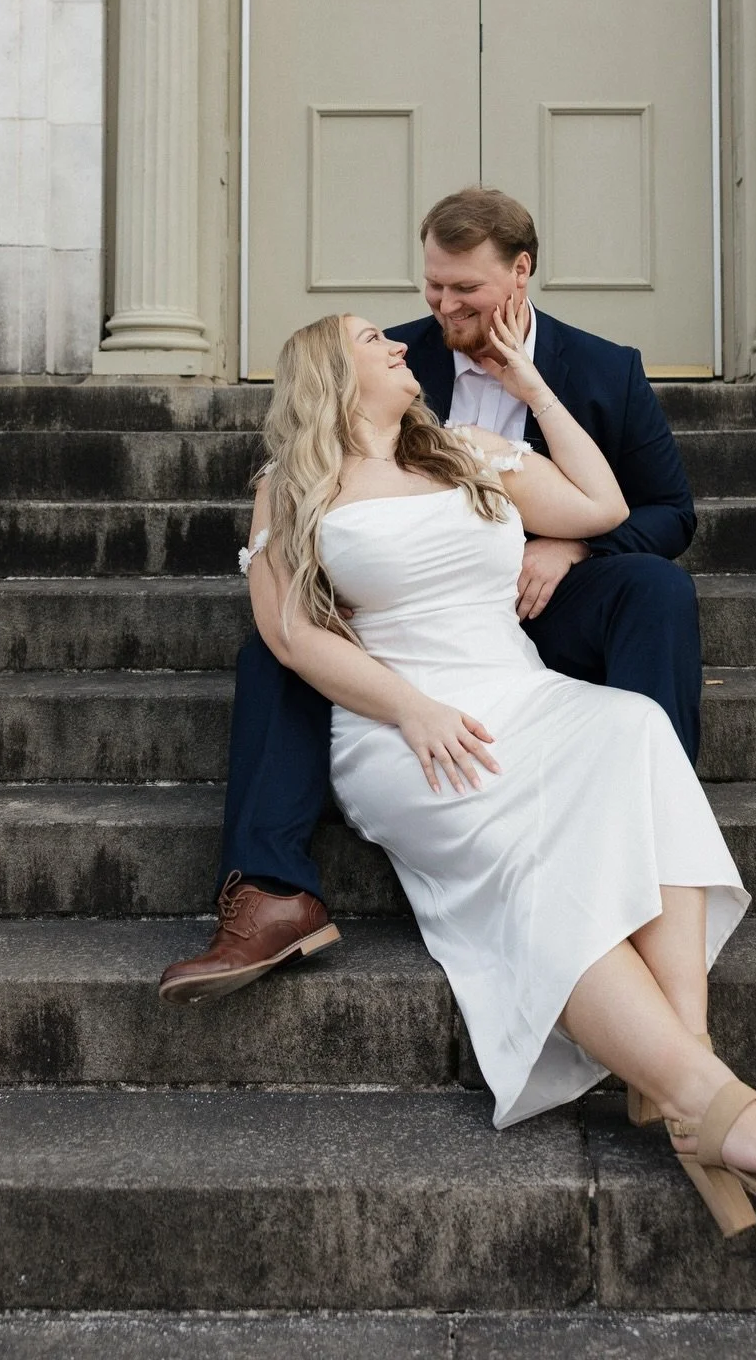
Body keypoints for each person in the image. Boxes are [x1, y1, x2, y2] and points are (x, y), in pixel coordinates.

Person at [209, 302, 756, 1236]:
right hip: (406, 726)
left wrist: (534, 389)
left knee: (638, 730)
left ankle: (683, 1072)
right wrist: (411, 707)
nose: (398, 344)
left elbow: (603, 508)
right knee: (533, 863)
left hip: (521, 694)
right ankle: (717, 1108)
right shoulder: (291, 484)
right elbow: (291, 636)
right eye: (370, 341)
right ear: (330, 375)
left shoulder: (462, 451)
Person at [160, 188, 705, 1020]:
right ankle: (270, 891)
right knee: (278, 650)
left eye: (466, 290)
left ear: (521, 273)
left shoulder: (604, 367)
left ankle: (656, 816)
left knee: (659, 588)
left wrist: (569, 547)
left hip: (539, 592)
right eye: (433, 286)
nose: (443, 306)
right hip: (404, 618)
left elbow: (667, 512)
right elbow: (316, 473)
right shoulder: (394, 361)